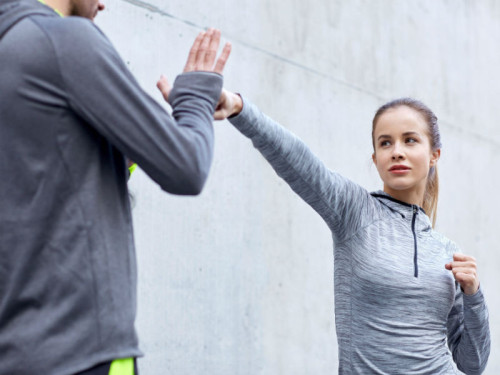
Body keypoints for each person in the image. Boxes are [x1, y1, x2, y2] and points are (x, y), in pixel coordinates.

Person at [0, 0, 231, 373]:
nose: (103, 3)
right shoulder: (66, 41)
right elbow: (187, 165)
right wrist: (196, 97)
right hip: (81, 354)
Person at [212, 91, 491, 374]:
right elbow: (300, 162)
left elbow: (472, 364)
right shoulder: (355, 211)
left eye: (410, 140)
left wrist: (474, 295)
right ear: (375, 157)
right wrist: (240, 109)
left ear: (434, 155)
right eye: (385, 143)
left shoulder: (447, 251)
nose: (396, 150)